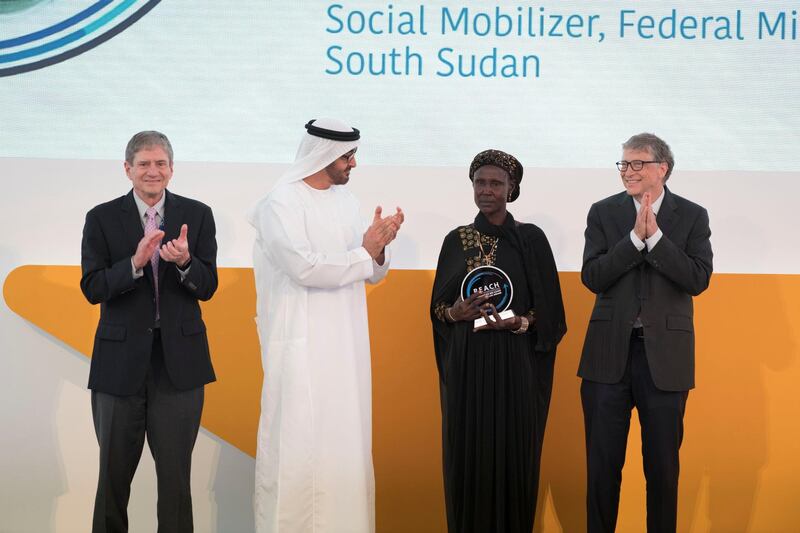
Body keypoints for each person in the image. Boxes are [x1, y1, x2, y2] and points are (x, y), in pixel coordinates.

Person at [248, 118, 404, 533]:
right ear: (323, 155)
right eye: (347, 156)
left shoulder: (346, 202)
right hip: (300, 347)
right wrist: (363, 252)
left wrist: (379, 248)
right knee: (298, 445)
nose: (353, 164)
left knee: (344, 445)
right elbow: (303, 268)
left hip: (346, 346)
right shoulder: (280, 202)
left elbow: (371, 272)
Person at [80, 131, 218, 532]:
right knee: (112, 481)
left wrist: (186, 262)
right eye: (143, 164)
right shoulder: (101, 218)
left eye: (160, 164)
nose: (152, 171)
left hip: (179, 368)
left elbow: (207, 287)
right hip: (119, 366)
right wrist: (135, 264)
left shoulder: (199, 214)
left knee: (176, 483)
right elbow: (92, 287)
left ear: (172, 169)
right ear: (128, 170)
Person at [579, 133, 713, 532]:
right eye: (623, 164)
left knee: (662, 470)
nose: (628, 172)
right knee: (602, 469)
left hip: (665, 360)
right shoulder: (602, 213)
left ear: (662, 169)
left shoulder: (692, 215)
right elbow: (593, 276)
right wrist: (634, 239)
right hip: (607, 359)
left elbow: (697, 278)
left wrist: (655, 239)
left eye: (637, 164)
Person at [430, 149, 567, 533]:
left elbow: (551, 315)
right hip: (469, 367)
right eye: (480, 182)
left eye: (496, 183)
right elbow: (438, 308)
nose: (486, 190)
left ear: (512, 189)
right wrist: (455, 313)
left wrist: (520, 323)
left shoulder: (530, 239)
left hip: (514, 366)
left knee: (513, 458)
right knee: (467, 458)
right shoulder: (456, 241)